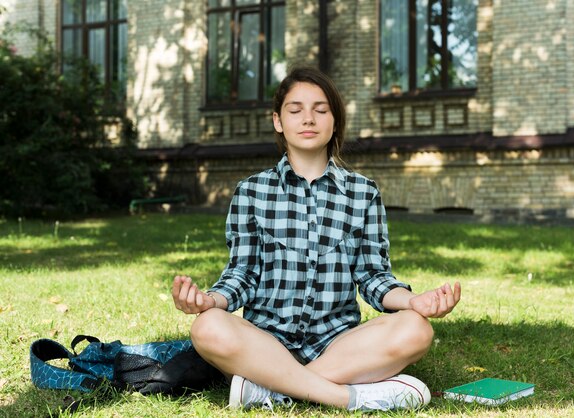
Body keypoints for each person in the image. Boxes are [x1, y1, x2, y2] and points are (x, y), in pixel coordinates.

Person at [171, 66, 461, 412]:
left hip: (339, 345)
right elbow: (242, 276)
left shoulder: (362, 193)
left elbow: (373, 277)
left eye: (320, 110)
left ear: (335, 121)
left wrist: (415, 303)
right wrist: (209, 301)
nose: (308, 119)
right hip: (265, 342)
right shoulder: (251, 191)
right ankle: (346, 397)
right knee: (207, 327)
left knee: (417, 330)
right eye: (295, 110)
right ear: (278, 120)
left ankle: (273, 387)